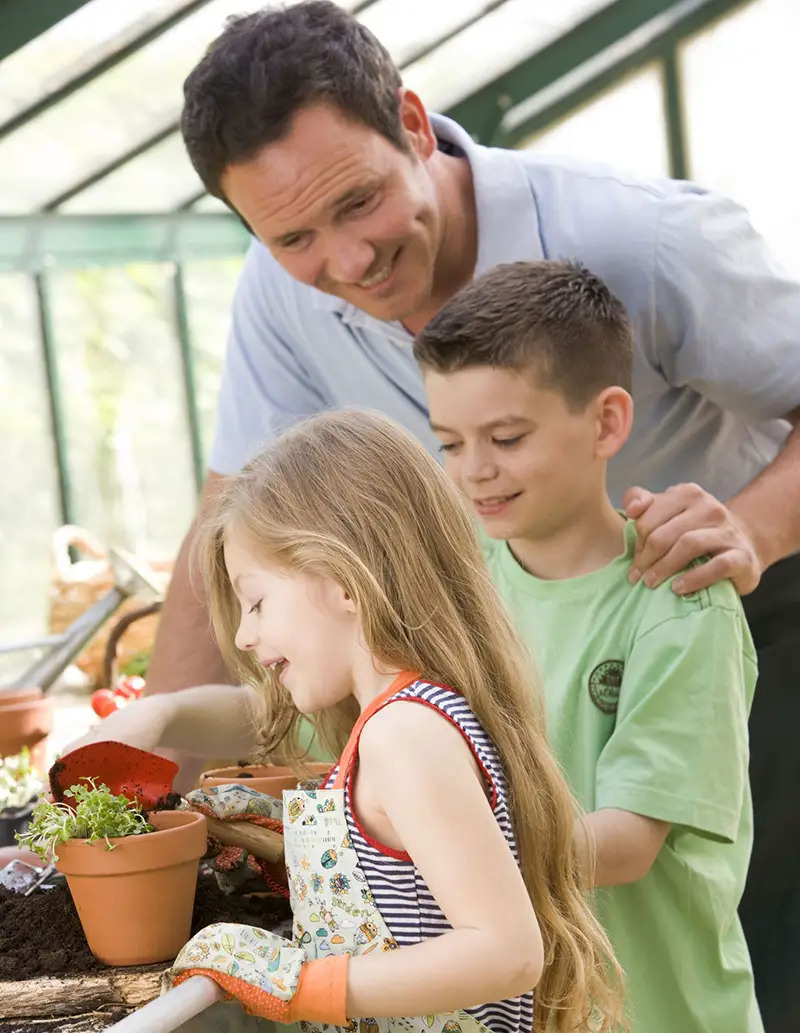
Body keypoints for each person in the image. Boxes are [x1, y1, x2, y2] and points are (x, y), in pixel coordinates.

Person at [148, 2, 800, 1025]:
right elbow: (232, 518)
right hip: (518, 612)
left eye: (358, 201)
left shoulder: (642, 238)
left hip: (715, 589)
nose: (347, 260)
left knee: (735, 928)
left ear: (412, 122)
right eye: (293, 237)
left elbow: (607, 850)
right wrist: (150, 781)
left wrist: (749, 529)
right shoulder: (278, 297)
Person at [89, 410, 625, 1033]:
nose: (245, 633)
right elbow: (406, 896)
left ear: (344, 581)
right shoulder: (392, 723)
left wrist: (295, 983)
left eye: (257, 600)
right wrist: (281, 840)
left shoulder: (406, 733)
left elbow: (506, 953)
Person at [413, 260, 762, 1033]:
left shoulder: (680, 602)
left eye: (506, 436)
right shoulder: (458, 588)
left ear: (606, 422)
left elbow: (628, 842)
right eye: (449, 442)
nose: (476, 469)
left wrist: (429, 849)